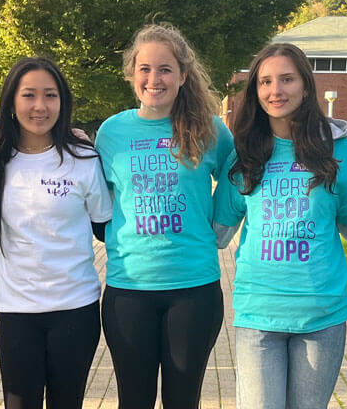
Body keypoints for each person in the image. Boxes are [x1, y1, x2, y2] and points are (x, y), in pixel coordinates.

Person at [213, 43, 347, 409]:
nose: (275, 91)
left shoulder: (337, 150)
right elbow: (216, 231)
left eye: (286, 79)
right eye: (265, 81)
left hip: (321, 314)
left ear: (306, 86)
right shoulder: (245, 154)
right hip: (259, 313)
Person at [95, 23, 234, 409]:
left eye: (165, 69)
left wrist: (218, 230)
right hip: (128, 292)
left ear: (183, 75)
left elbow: (239, 177)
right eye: (145, 69)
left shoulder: (210, 130)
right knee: (133, 401)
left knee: (182, 402)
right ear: (131, 74)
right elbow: (99, 201)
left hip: (193, 290)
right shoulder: (111, 132)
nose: (154, 79)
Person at [0, 57, 112, 409]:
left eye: (50, 95)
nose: (40, 106)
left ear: (62, 102)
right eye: (29, 95)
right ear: (11, 103)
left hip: (75, 311)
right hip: (17, 313)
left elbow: (103, 223)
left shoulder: (83, 158)